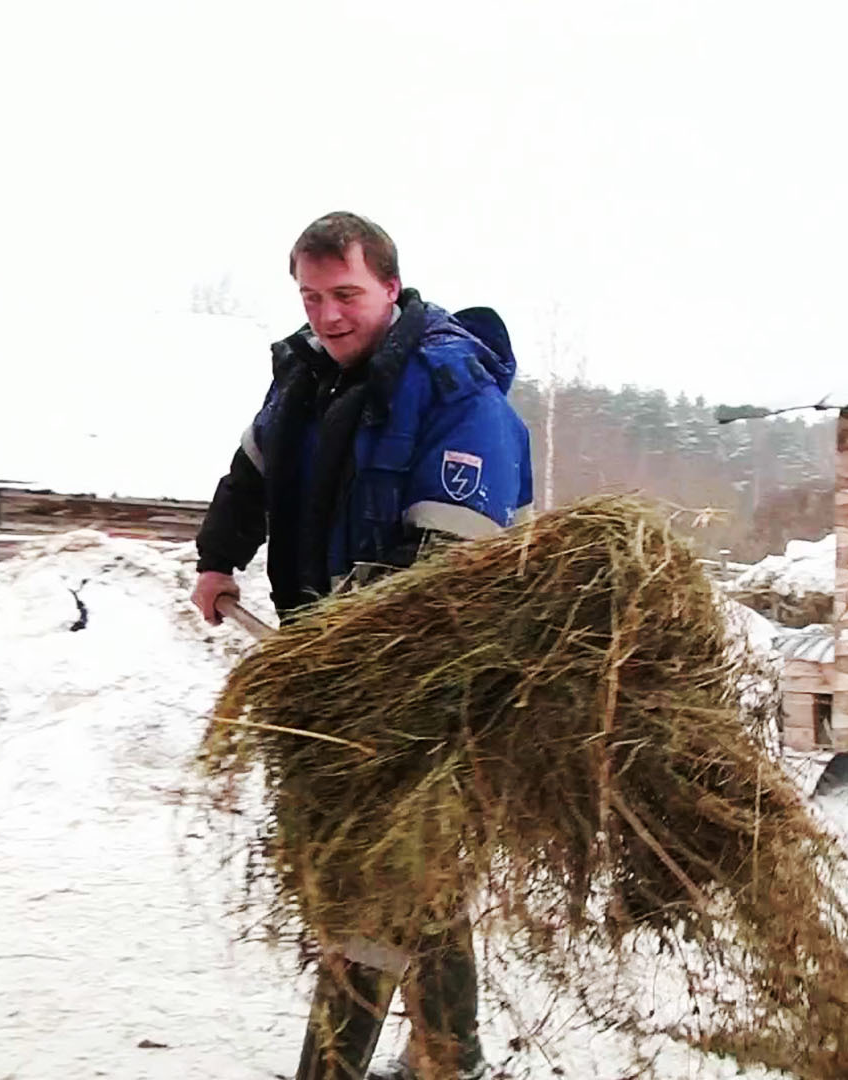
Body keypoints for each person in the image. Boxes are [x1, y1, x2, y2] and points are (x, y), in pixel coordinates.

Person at [191, 211, 532, 1080]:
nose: (327, 315)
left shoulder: (456, 391)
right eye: (311, 298)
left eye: (345, 294)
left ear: (390, 285)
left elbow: (447, 566)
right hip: (328, 672)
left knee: (369, 878)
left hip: (417, 685)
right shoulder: (302, 377)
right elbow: (252, 474)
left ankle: (332, 1071)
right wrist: (218, 558)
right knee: (417, 883)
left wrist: (354, 667)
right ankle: (453, 1061)